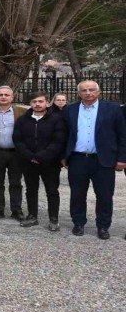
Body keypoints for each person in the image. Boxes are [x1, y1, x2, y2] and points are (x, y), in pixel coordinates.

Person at [62, 80, 126, 240]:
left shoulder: (112, 109)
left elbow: (122, 136)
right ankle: (78, 223)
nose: (88, 93)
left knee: (104, 195)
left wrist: (122, 159)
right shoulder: (70, 110)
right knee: (77, 194)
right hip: (78, 159)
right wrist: (64, 156)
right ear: (79, 93)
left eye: (91, 90)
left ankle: (103, 226)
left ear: (98, 92)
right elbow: (64, 135)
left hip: (103, 160)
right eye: (84, 90)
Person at [12, 92, 67, 231]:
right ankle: (32, 215)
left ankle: (53, 219)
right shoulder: (23, 120)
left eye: (41, 101)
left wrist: (40, 156)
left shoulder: (57, 119)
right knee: (31, 190)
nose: (37, 104)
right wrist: (30, 156)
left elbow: (58, 141)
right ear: (30, 103)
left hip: (50, 163)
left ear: (47, 103)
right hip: (28, 161)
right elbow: (18, 140)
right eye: (34, 101)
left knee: (52, 190)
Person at [0, 86, 27, 221]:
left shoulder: (21, 112)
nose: (3, 97)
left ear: (12, 97)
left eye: (6, 95)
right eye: (0, 95)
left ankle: (16, 210)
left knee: (15, 182)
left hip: (16, 153)